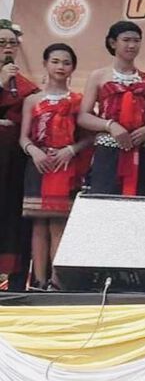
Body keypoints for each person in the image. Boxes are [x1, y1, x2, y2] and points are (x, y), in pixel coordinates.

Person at [19, 44, 93, 290]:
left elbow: (89, 137)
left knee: (58, 224)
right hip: (38, 166)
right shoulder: (32, 100)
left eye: (66, 62)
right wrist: (34, 151)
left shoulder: (79, 101)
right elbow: (23, 137)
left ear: (73, 68)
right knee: (39, 225)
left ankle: (57, 282)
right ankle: (38, 282)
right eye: (55, 61)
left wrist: (70, 150)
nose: (60, 67)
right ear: (45, 64)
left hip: (65, 166)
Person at [78, 21, 145, 195]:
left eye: (136, 41)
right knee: (105, 201)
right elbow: (83, 116)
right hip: (108, 150)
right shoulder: (98, 76)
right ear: (113, 43)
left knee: (137, 201)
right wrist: (110, 125)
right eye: (126, 40)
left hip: (140, 150)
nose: (132, 45)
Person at [0, 19, 39, 290]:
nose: (7, 48)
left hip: (13, 164)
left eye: (12, 43)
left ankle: (15, 282)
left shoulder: (27, 88)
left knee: (14, 219)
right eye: (1, 43)